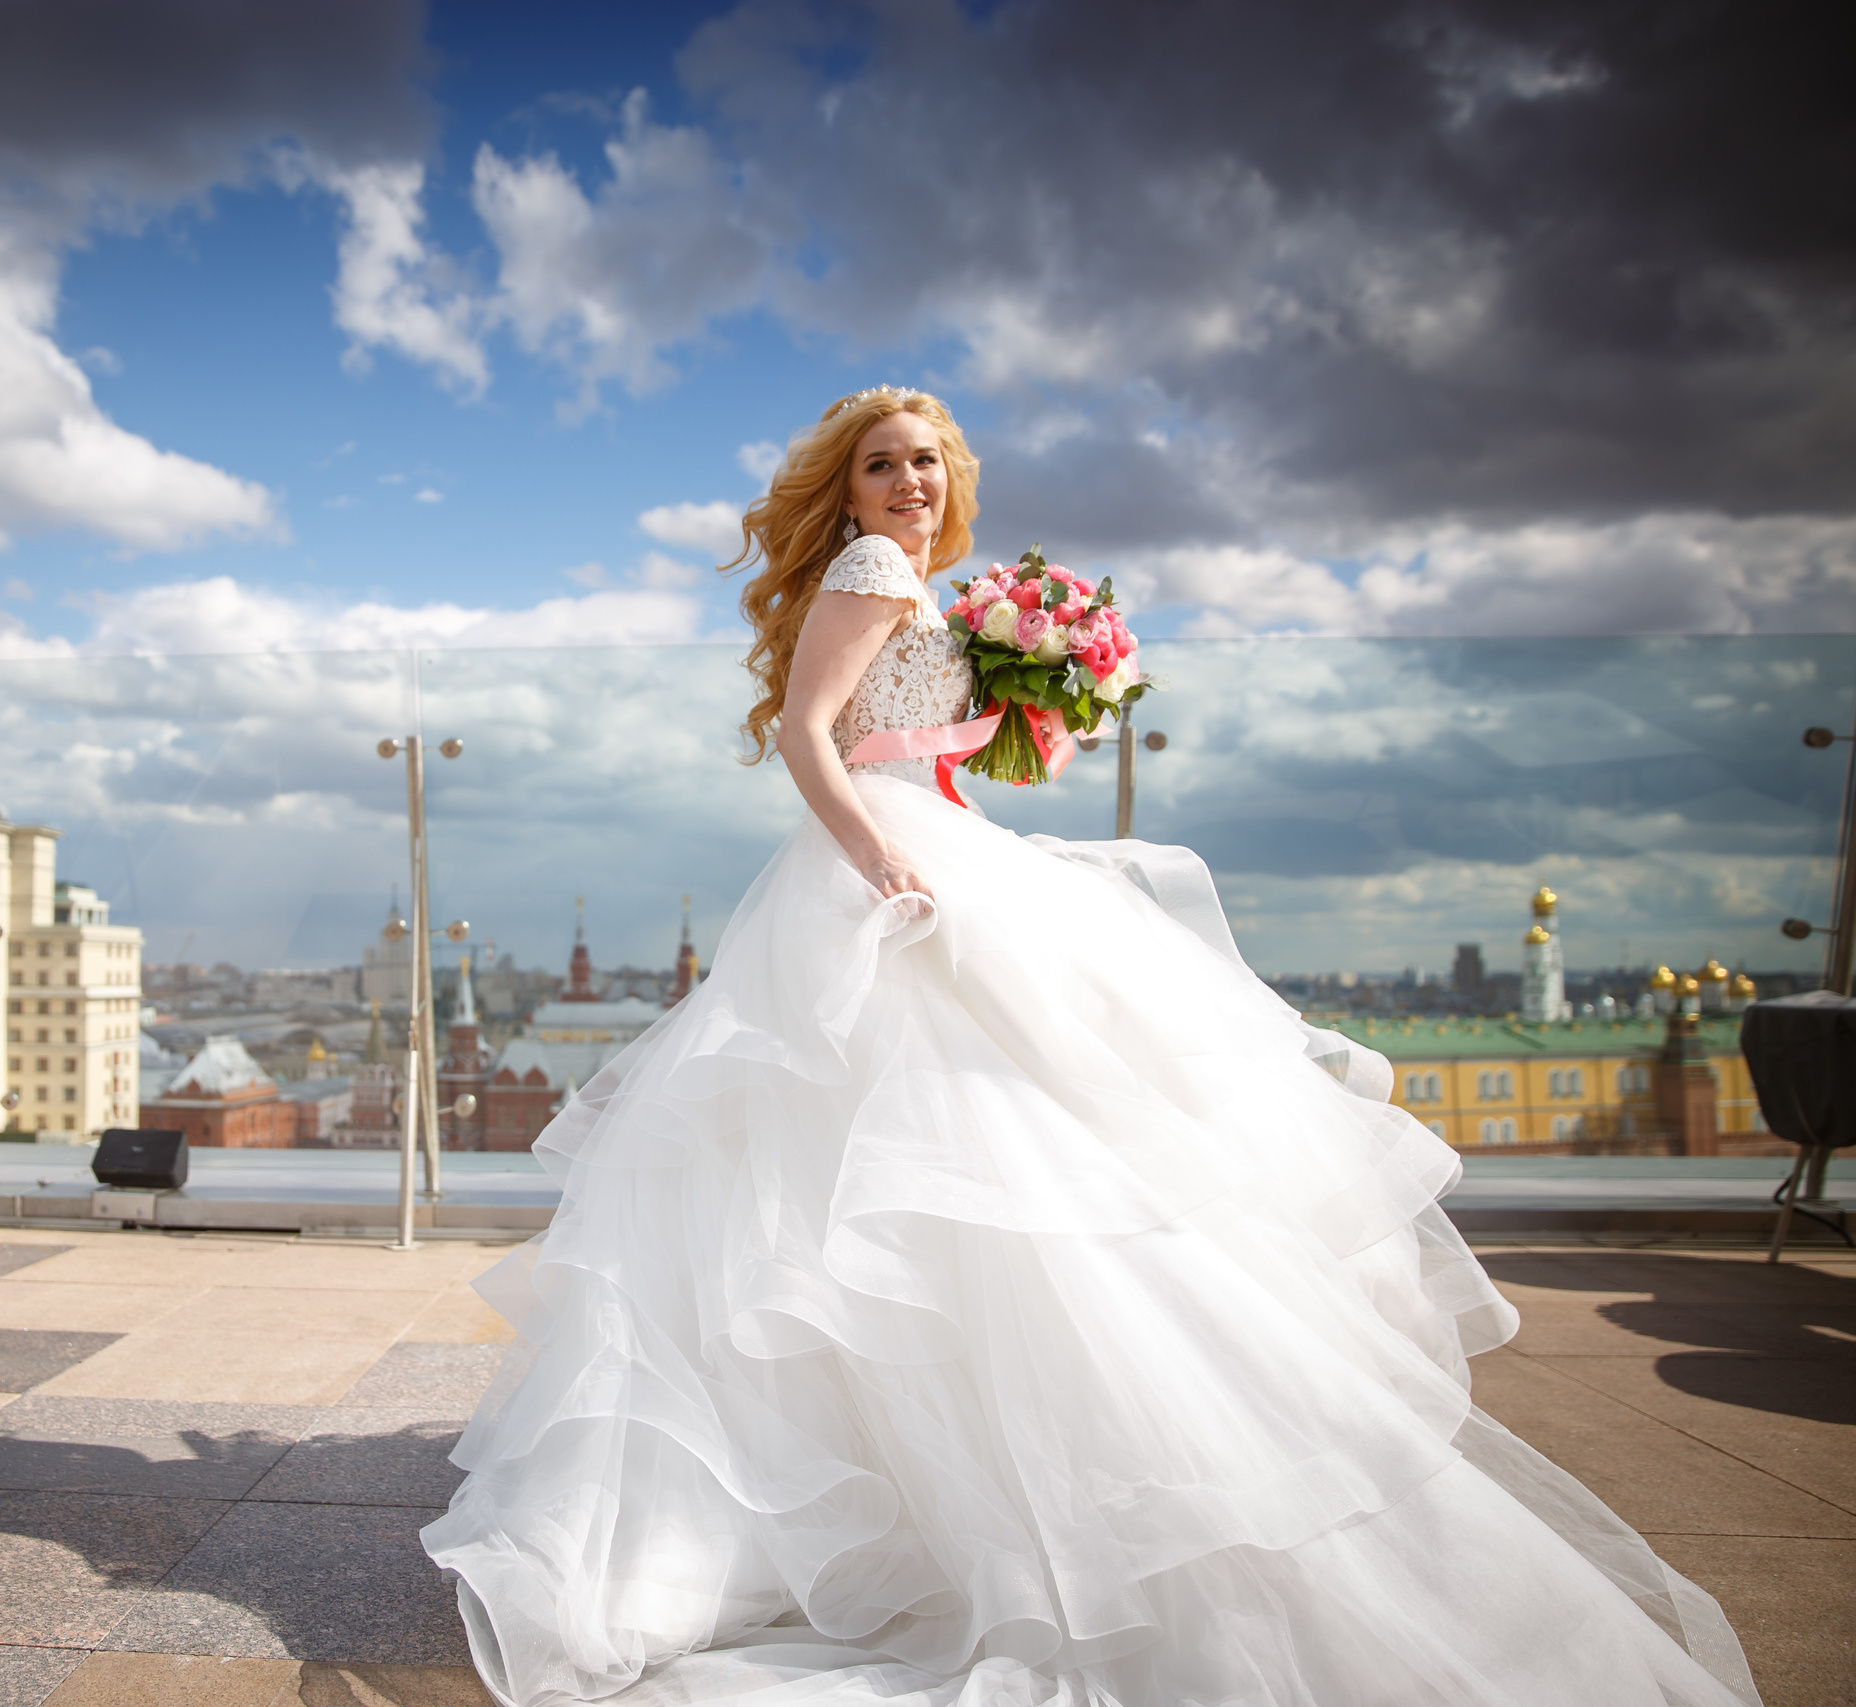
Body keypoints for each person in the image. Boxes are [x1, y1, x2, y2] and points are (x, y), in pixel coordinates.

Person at [421, 386, 1761, 1707]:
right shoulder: (881, 566)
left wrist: (1023, 714)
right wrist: (887, 857)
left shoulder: (919, 585)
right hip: (883, 873)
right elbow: (807, 737)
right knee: (978, 1163)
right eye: (885, 465)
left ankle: (884, 1493)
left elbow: (909, 743)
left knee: (914, 1178)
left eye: (930, 465)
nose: (911, 487)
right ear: (848, 488)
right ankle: (983, 1497)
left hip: (918, 848)